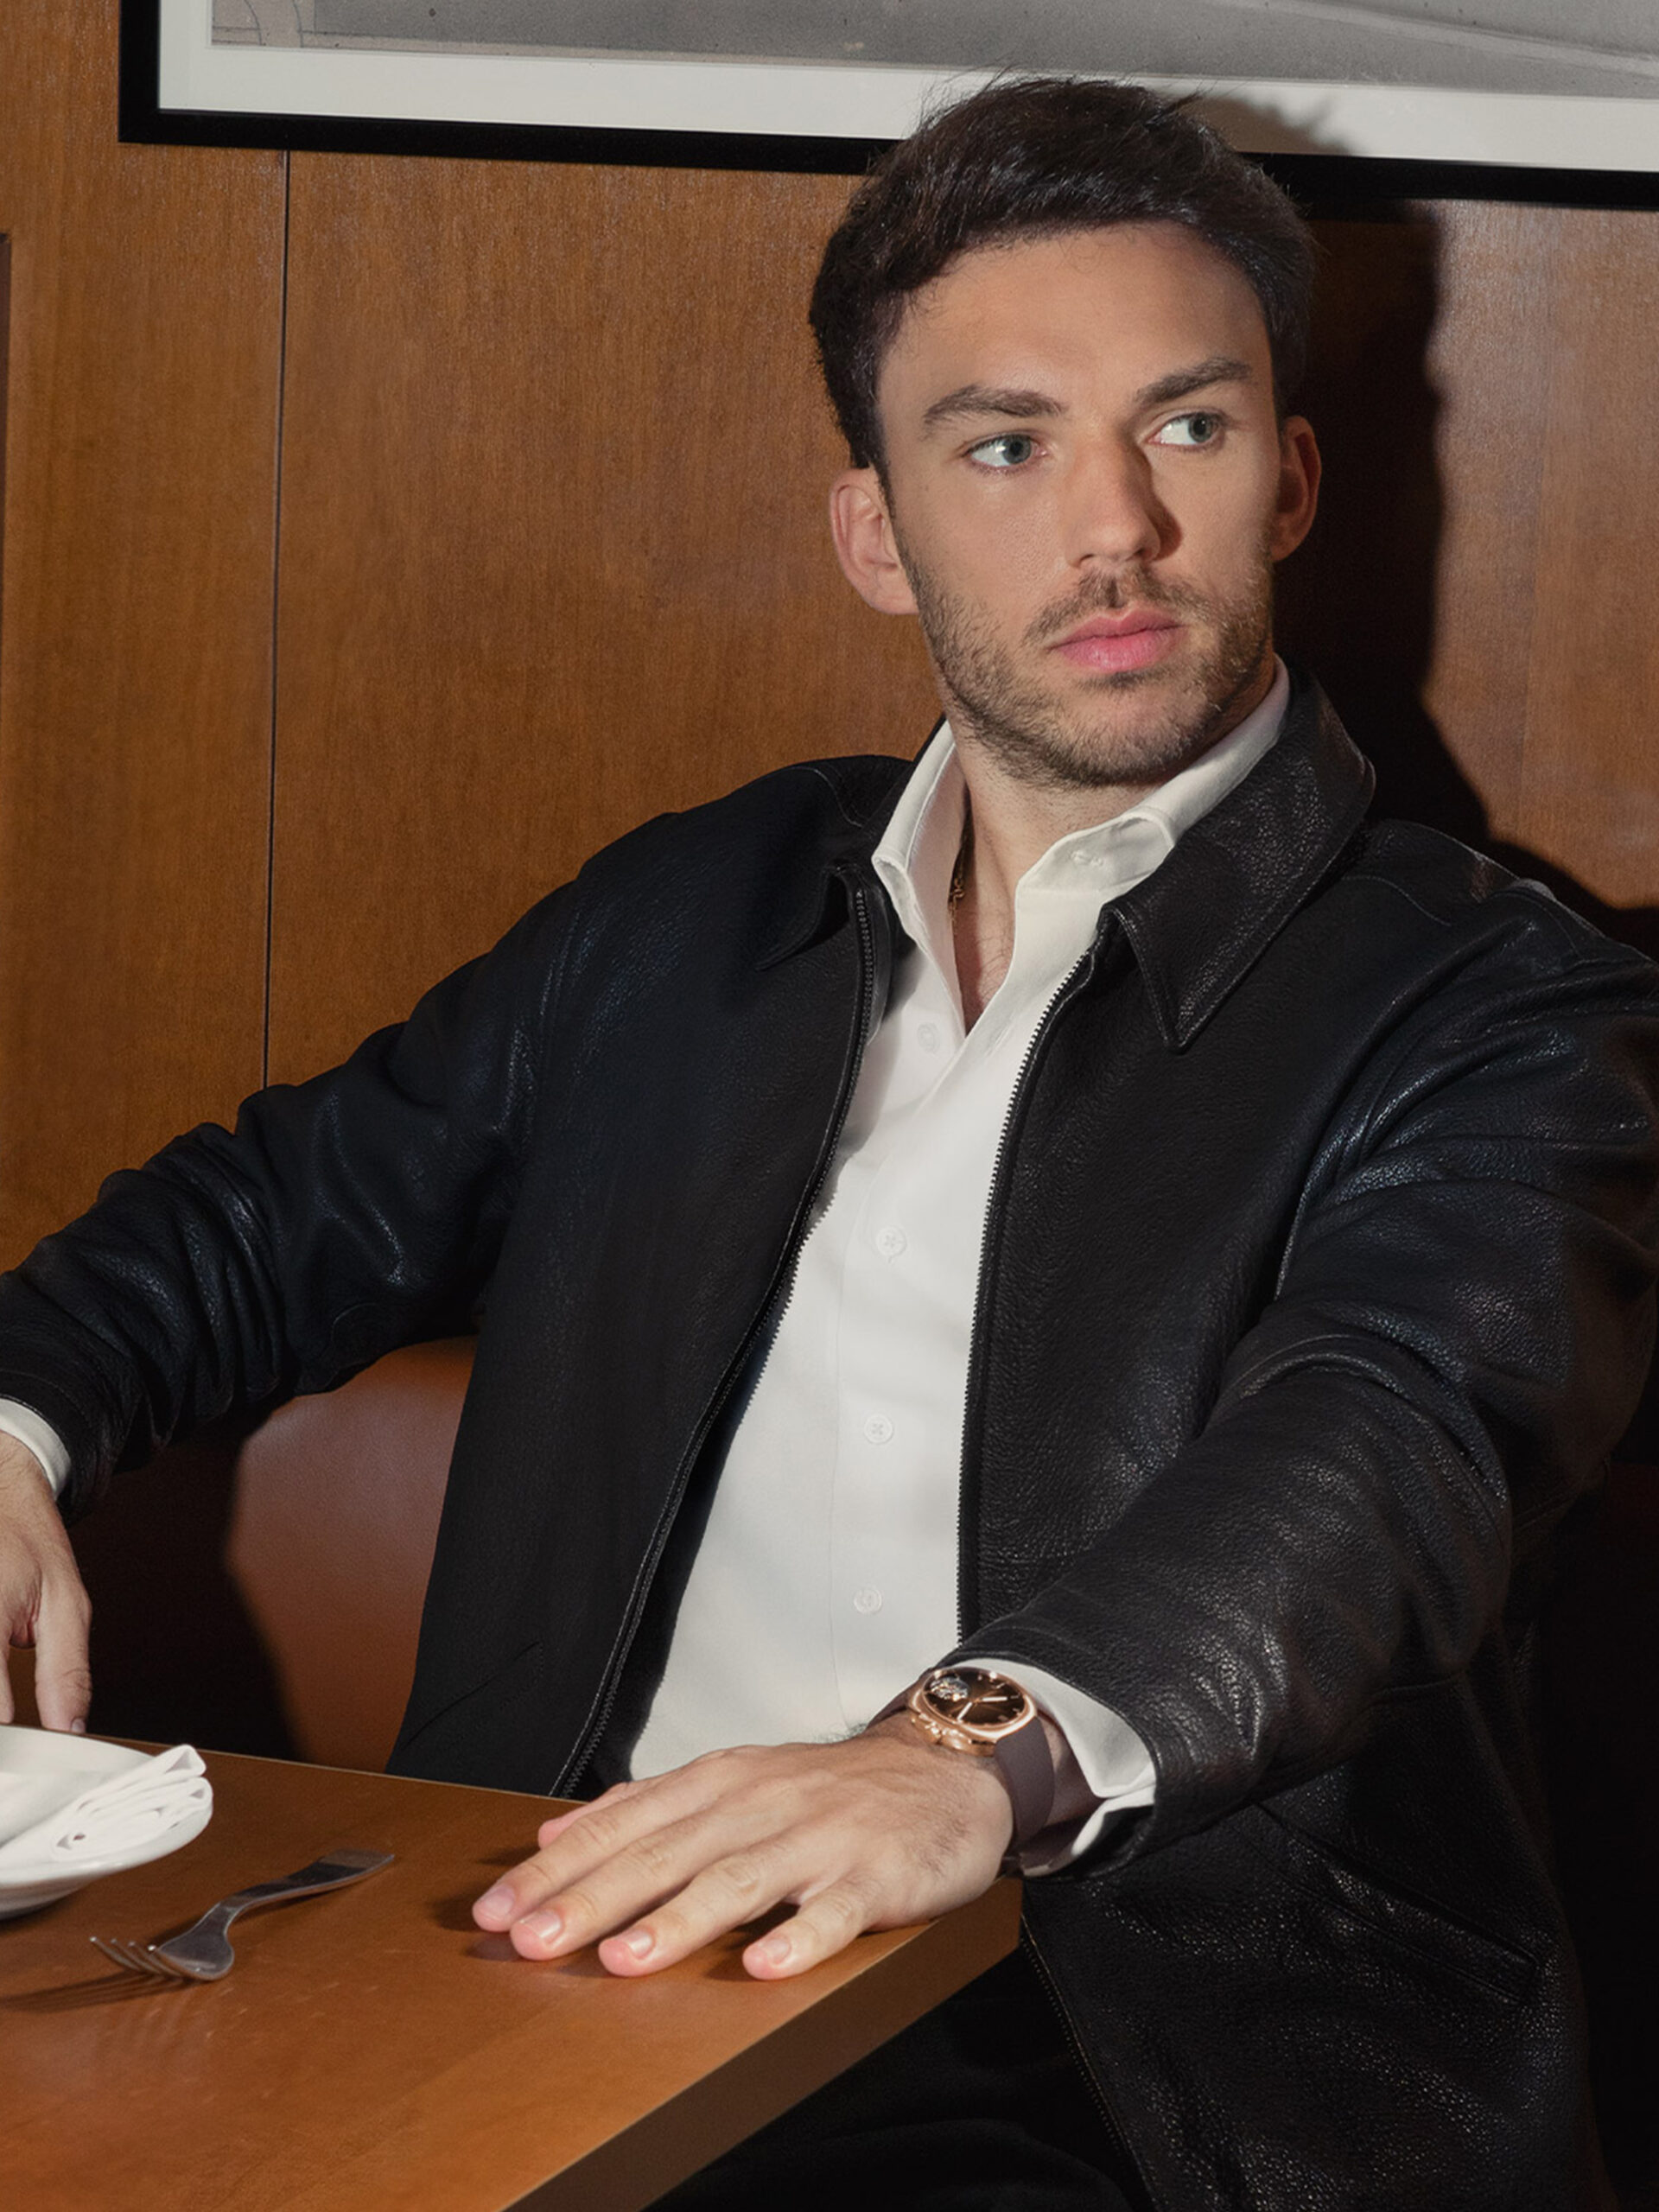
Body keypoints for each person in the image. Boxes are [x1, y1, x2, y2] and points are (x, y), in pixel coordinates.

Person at [0, 75, 1654, 2212]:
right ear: (876, 530)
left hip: (1130, 2055)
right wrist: (15, 1416)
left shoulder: (1504, 1006)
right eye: (1005, 445)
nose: (1117, 528)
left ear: (1293, 479)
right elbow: (266, 1216)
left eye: (1187, 425)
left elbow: (1391, 1451)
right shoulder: (693, 915)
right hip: (545, 1949)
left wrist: (965, 1753)